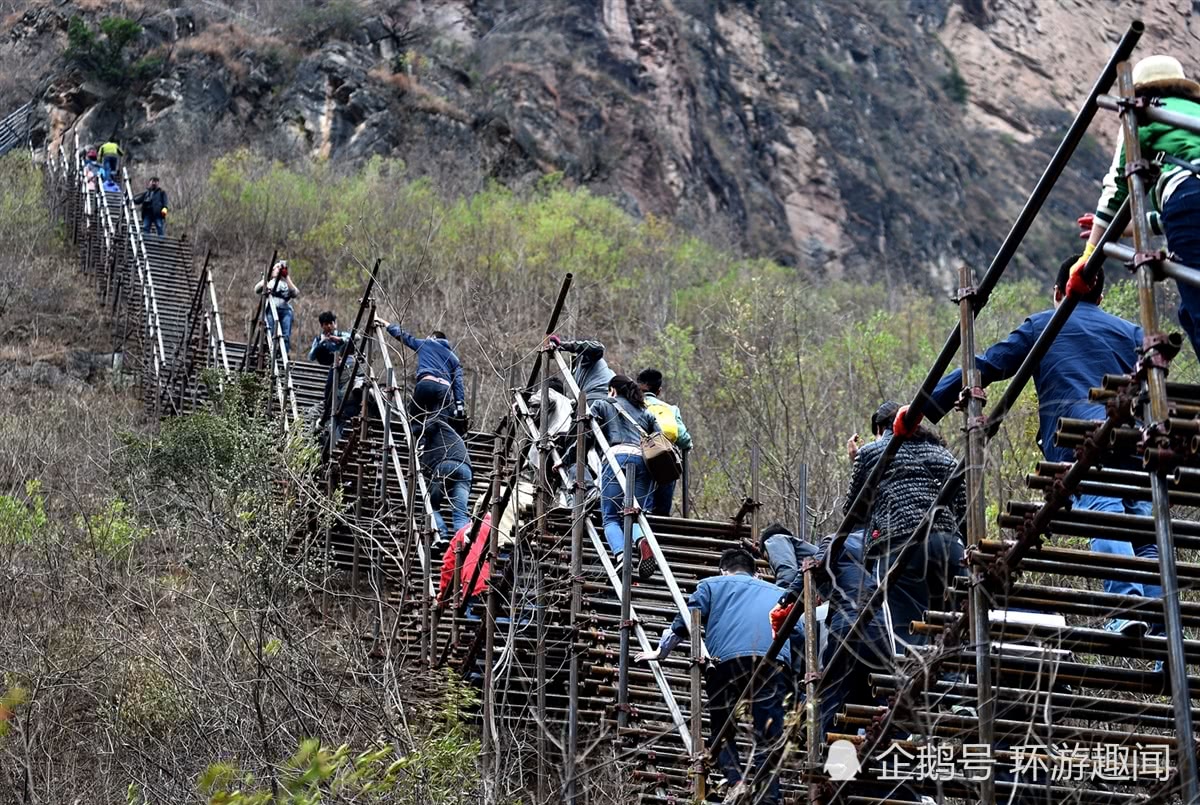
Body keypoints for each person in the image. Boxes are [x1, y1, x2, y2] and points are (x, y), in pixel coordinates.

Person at [916, 259, 1158, 637]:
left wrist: (926, 406)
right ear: (1101, 294)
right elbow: (1153, 382)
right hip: (1133, 439)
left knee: (1104, 512)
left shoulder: (1047, 322)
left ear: (1059, 291)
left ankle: (1124, 608)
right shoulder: (1130, 331)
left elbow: (988, 364)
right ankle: (1159, 621)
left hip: (1080, 436)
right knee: (1143, 532)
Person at [636, 548, 789, 804]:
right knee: (768, 733)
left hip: (726, 661)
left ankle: (736, 781)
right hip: (772, 661)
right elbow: (796, 632)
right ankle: (769, 797)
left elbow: (687, 619)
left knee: (722, 728)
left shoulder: (710, 585)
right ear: (756, 571)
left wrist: (661, 652)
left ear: (722, 570)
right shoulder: (777, 592)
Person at [1074, 54, 1200, 357]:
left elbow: (1119, 188)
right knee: (1188, 310)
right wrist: (1128, 229)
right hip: (1187, 202)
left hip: (1188, 199)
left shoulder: (1143, 113)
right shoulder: (1194, 110)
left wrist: (1089, 255)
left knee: (1196, 307)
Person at [589, 374, 661, 580]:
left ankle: (622, 555)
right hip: (643, 461)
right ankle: (641, 541)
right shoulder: (644, 411)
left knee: (610, 517)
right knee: (635, 512)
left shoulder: (603, 404)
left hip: (615, 458)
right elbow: (659, 437)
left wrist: (566, 459)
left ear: (612, 389)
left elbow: (583, 434)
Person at [379, 319, 465, 424]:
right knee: (439, 424)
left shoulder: (426, 344)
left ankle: (416, 435)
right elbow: (458, 384)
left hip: (426, 384)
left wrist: (386, 324)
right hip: (444, 390)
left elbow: (404, 336)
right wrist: (460, 405)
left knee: (416, 417)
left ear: (433, 338)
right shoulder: (454, 358)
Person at [637, 368, 693, 515]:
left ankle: (641, 532)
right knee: (662, 506)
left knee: (641, 502)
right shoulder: (670, 409)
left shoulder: (634, 406)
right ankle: (660, 528)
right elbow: (684, 439)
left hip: (639, 457)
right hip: (665, 459)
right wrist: (688, 446)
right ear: (659, 390)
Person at [418, 416, 473, 538]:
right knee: (460, 512)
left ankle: (441, 534)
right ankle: (462, 541)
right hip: (466, 470)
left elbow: (424, 427)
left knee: (432, 504)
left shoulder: (436, 423)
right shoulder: (452, 437)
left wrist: (412, 430)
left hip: (445, 465)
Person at [545, 335, 614, 403]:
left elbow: (598, 347)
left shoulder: (590, 359)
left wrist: (564, 345)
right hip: (607, 402)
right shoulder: (578, 373)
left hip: (596, 399)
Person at [254, 260, 300, 354]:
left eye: (281, 268)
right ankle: (269, 352)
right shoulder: (269, 282)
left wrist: (286, 276)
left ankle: (284, 354)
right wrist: (266, 280)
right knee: (270, 332)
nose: (279, 269)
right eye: (277, 267)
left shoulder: (286, 284)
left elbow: (295, 293)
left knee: (286, 335)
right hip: (271, 309)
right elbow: (256, 289)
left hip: (285, 310)